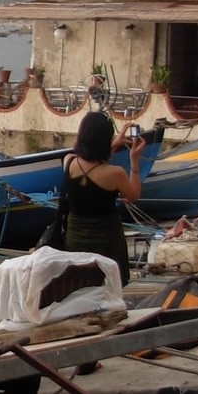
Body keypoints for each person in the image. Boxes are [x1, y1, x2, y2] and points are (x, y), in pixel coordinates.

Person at [61, 110, 144, 287]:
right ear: (105, 140)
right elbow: (133, 195)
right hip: (107, 242)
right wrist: (134, 162)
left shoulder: (68, 162)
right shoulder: (115, 174)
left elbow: (90, 162)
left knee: (80, 288)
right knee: (110, 290)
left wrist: (115, 143)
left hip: (75, 238)